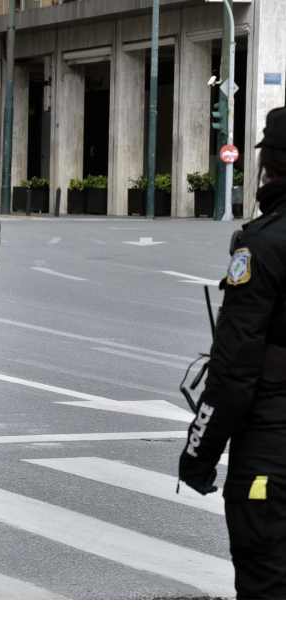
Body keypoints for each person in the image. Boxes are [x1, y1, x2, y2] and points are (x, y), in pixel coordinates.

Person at [179, 107, 286, 599]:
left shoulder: (263, 245)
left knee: (267, 581)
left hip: (273, 442)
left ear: (269, 166)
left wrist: (198, 454)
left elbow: (235, 369)